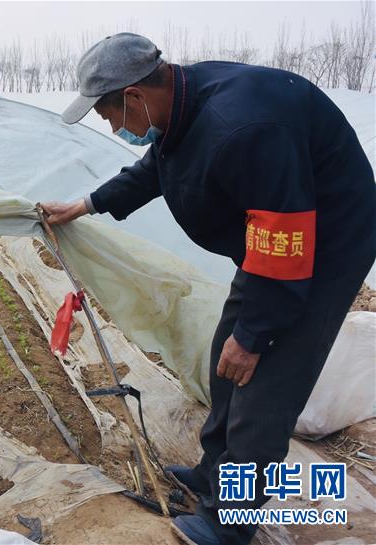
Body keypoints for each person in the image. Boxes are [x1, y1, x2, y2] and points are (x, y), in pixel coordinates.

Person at [41, 33, 376, 545]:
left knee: (266, 378)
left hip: (324, 242)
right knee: (226, 354)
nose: (111, 127)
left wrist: (256, 334)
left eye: (108, 115)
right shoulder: (182, 104)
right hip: (275, 236)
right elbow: (157, 168)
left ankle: (229, 523)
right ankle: (214, 474)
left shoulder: (242, 127)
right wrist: (86, 204)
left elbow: (286, 242)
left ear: (134, 96)